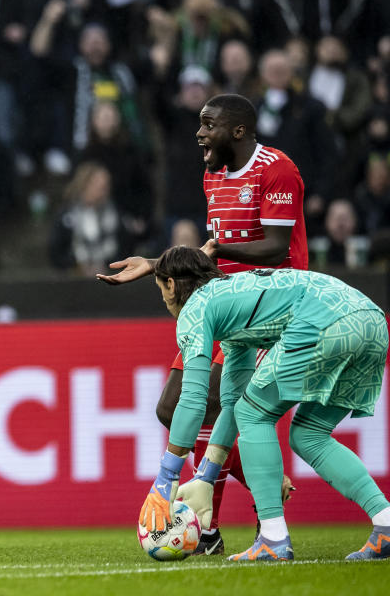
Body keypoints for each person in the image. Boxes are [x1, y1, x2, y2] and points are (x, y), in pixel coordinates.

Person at [98, 93, 308, 555]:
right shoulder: (214, 174)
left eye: (208, 125)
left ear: (238, 130)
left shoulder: (277, 170)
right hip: (225, 305)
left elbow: (274, 248)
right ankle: (212, 524)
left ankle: (255, 526)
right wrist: (157, 265)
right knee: (173, 407)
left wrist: (196, 257)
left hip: (274, 309)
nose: (199, 134)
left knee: (237, 414)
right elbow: (212, 256)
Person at [141, 246, 390, 562]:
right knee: (308, 435)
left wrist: (166, 478)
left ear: (171, 285)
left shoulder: (195, 308)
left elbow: (192, 398)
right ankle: (386, 522)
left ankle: (273, 537)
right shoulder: (233, 301)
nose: (164, 301)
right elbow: (229, 403)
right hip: (372, 321)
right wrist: (205, 475)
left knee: (253, 412)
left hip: (325, 320)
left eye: (161, 290)